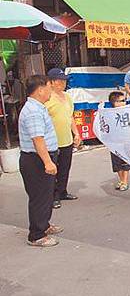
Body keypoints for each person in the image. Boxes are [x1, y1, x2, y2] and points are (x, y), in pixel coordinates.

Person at [18, 75, 62, 247]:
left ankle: (44, 225)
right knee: (40, 197)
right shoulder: (33, 111)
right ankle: (36, 235)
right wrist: (47, 162)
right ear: (41, 89)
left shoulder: (39, 107)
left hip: (41, 158)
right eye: (50, 87)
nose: (51, 91)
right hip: (37, 160)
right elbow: (38, 140)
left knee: (46, 194)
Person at [45, 68, 81, 209]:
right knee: (53, 169)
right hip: (52, 141)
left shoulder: (67, 97)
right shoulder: (47, 98)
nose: (63, 83)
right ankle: (53, 196)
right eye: (60, 81)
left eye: (64, 81)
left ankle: (62, 191)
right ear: (51, 82)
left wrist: (76, 134)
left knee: (65, 167)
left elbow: (70, 116)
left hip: (67, 139)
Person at [107, 91, 130, 191]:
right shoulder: (108, 114)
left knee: (125, 162)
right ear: (115, 102)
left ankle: (125, 182)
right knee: (116, 164)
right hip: (114, 142)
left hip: (125, 141)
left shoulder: (127, 112)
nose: (124, 103)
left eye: (124, 100)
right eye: (122, 101)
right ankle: (121, 180)